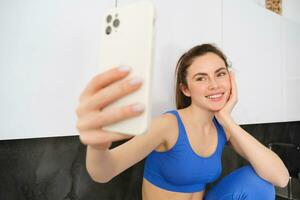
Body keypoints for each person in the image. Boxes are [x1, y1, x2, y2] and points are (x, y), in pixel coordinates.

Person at [76, 44, 289, 200]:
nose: (214, 84)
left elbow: (280, 178)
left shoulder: (222, 128)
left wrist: (227, 119)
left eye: (220, 74)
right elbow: (104, 172)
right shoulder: (168, 125)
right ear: (185, 89)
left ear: (230, 79)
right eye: (201, 78)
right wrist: (97, 146)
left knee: (258, 183)